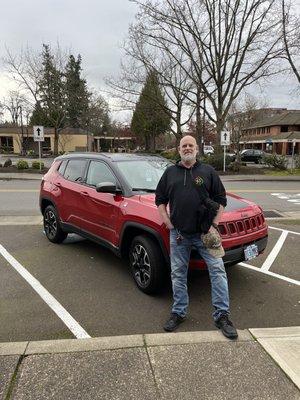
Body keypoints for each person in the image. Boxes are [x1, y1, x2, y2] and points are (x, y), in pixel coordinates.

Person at [155, 135, 238, 339]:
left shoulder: (208, 172)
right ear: (179, 149)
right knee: (178, 274)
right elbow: (160, 200)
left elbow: (221, 200)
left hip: (206, 234)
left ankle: (222, 316)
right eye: (184, 145)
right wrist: (167, 221)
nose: (187, 148)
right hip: (179, 235)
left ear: (197, 149)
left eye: (191, 145)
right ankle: (179, 312)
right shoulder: (170, 173)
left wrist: (215, 224)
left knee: (218, 271)